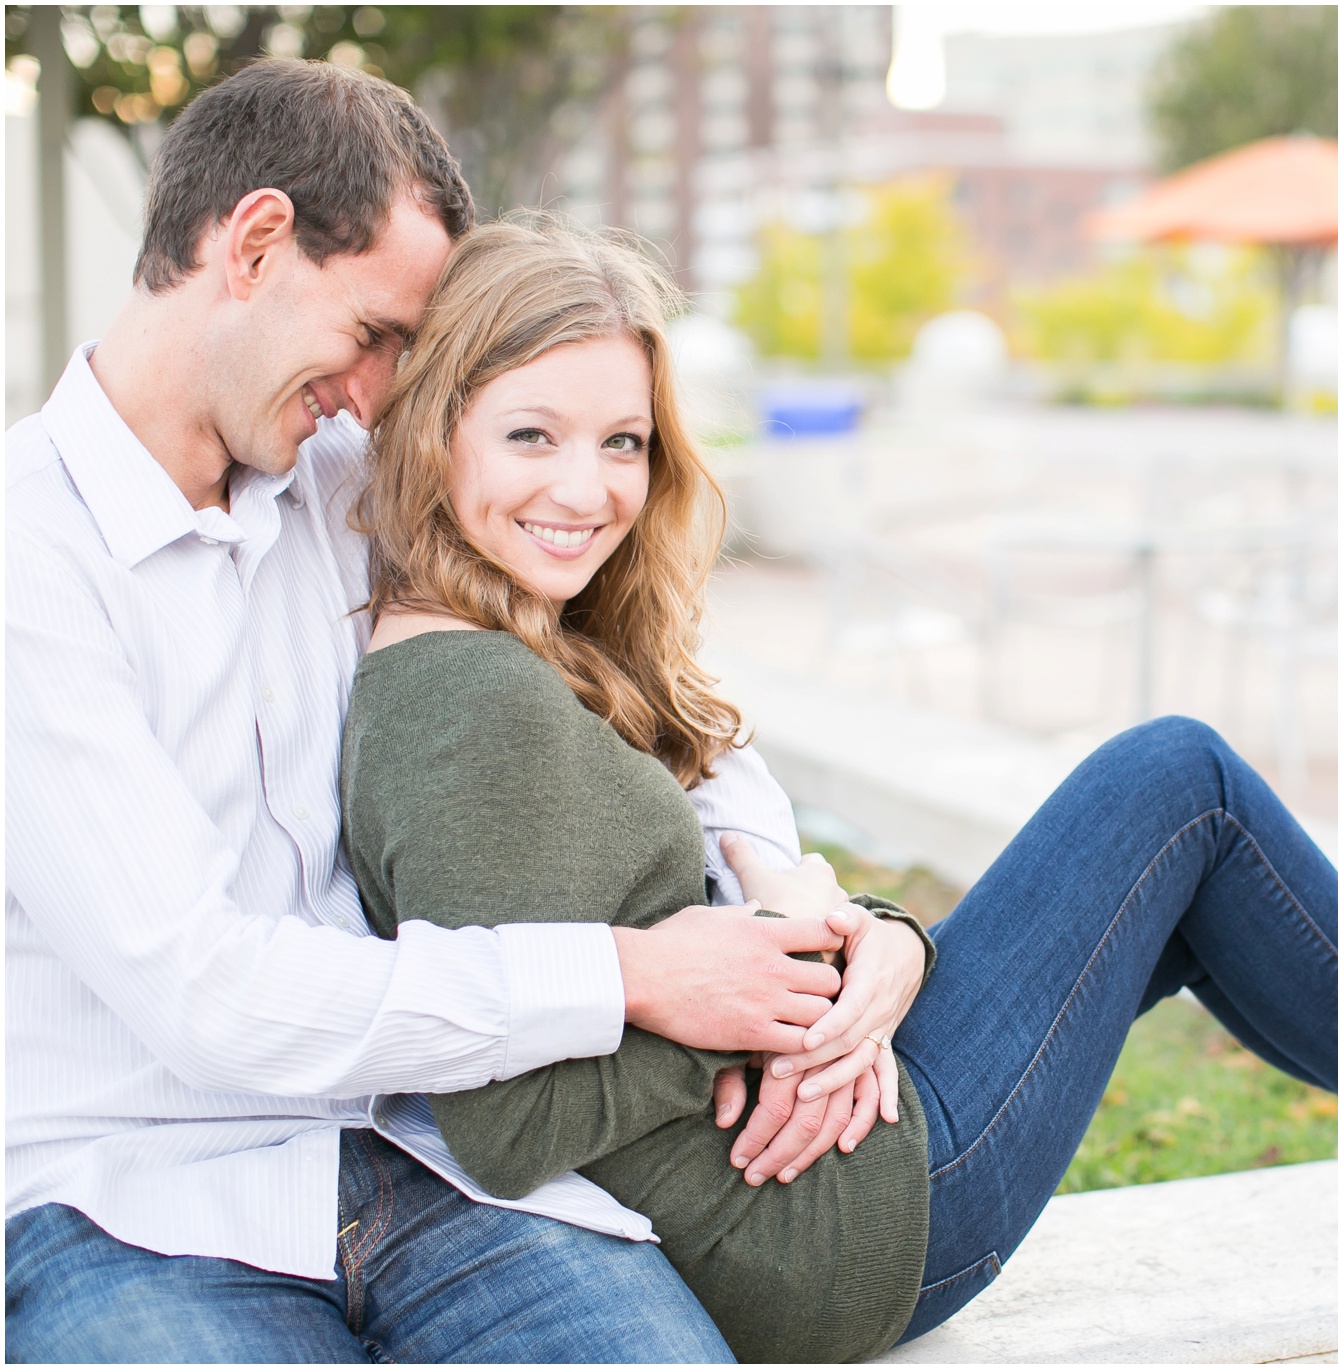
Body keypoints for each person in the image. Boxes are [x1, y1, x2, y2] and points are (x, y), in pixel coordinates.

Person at [340, 218, 1338, 1364]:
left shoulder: (518, 642)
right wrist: (754, 1023)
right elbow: (499, 1115)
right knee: (1185, 783)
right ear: (436, 427)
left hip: (830, 1158)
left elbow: (708, 879)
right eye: (532, 434)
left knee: (1195, 864)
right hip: (837, 1225)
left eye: (622, 442)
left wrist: (862, 948)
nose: (586, 489)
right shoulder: (464, 699)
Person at [6, 61, 835, 1363]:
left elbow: (647, 699)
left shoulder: (350, 486)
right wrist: (628, 976)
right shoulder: (30, 561)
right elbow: (206, 995)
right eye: (375, 333)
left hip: (434, 1167)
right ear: (256, 241)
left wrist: (786, 883)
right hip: (120, 1200)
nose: (384, 387)